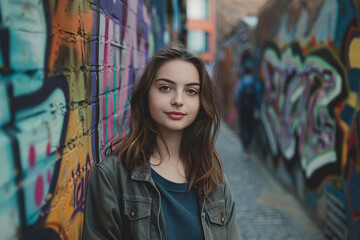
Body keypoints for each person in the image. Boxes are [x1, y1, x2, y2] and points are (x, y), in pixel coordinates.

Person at [82, 43, 241, 240]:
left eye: (191, 91)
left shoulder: (212, 175)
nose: (178, 100)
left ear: (201, 103)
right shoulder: (113, 176)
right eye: (165, 88)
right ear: (146, 94)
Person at [235, 66, 259, 160]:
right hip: (252, 111)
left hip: (243, 110)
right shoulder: (255, 83)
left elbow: (238, 97)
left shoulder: (241, 83)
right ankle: (248, 147)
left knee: (244, 128)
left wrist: (238, 107)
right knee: (251, 128)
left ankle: (245, 149)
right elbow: (258, 98)